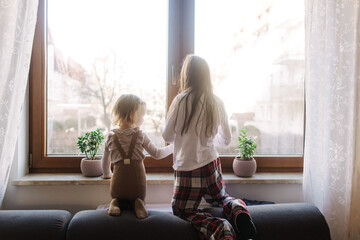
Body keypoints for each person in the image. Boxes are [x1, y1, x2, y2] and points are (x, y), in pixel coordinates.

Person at [162, 55, 256, 240]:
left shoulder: (180, 100)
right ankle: (237, 208)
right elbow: (226, 139)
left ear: (186, 75)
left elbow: (166, 136)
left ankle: (221, 227)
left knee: (183, 211)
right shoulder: (216, 101)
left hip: (188, 169)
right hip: (211, 165)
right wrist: (209, 140)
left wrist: (182, 137)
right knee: (222, 199)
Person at [102, 94, 173, 218]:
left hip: (118, 183)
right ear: (132, 115)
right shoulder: (140, 135)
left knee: (116, 196)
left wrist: (107, 174)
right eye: (142, 115)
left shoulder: (110, 136)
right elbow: (157, 153)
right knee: (138, 196)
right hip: (137, 183)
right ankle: (139, 203)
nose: (143, 119)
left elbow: (105, 161)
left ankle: (115, 203)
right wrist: (173, 147)